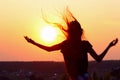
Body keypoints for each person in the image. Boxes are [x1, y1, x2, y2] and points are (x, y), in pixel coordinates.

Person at [24, 8, 118, 80]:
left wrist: (33, 42)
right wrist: (109, 46)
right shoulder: (83, 45)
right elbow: (98, 59)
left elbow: (48, 49)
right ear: (80, 32)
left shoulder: (67, 45)